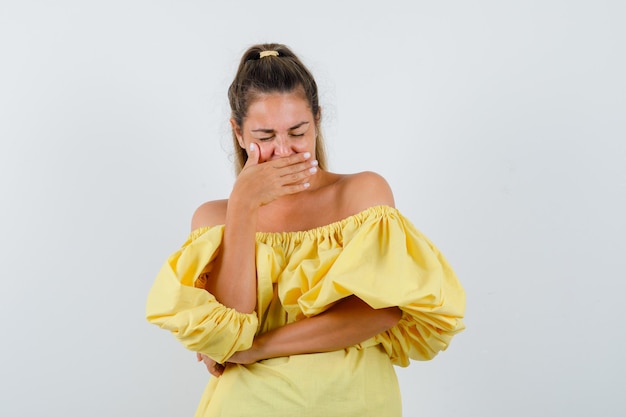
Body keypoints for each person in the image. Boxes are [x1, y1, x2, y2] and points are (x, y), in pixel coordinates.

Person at [146, 43, 466, 417]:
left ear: (317, 119)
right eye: (265, 137)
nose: (284, 151)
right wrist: (243, 208)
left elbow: (380, 313)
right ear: (237, 132)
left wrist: (259, 347)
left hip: (354, 401)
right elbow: (227, 334)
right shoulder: (214, 219)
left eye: (297, 132)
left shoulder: (361, 195)